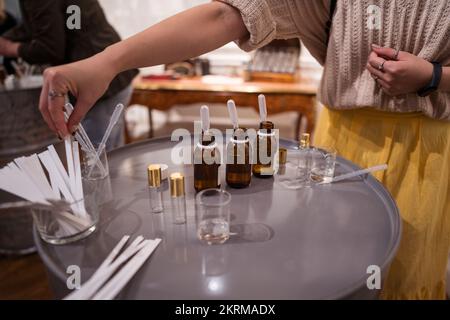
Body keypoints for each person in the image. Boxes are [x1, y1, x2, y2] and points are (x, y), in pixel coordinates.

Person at [38, 1, 449, 299]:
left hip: (428, 147)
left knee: (403, 277)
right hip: (342, 138)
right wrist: (109, 61)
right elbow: (229, 13)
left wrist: (434, 77)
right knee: (330, 270)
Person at [0, 0, 138, 150]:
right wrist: (8, 37)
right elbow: (39, 25)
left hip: (98, 77)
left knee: (98, 158)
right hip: (110, 67)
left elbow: (51, 48)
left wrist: (10, 48)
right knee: (110, 152)